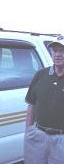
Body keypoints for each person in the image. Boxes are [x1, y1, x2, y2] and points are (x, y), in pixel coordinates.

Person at [24, 35, 64, 164]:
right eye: (55, 51)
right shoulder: (40, 74)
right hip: (38, 135)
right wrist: (28, 131)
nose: (57, 54)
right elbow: (31, 105)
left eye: (62, 51)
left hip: (61, 140)